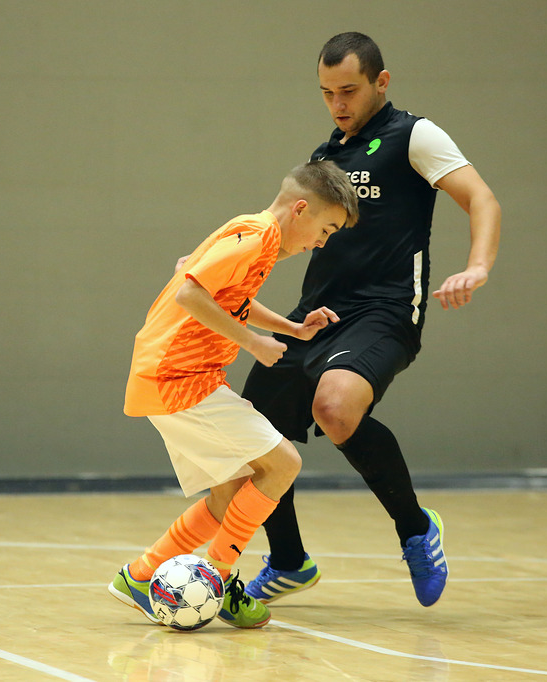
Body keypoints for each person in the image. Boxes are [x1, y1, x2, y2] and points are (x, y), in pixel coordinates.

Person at [241, 32, 501, 608]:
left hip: (385, 311)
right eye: (327, 92)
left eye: (349, 90)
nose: (338, 103)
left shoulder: (414, 135)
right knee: (253, 433)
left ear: (381, 83)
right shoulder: (324, 158)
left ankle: (416, 529)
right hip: (316, 313)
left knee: (335, 407)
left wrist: (477, 266)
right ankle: (288, 561)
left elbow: (482, 198)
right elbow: (274, 228)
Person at [109, 160, 359, 629]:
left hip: (180, 378)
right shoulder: (256, 237)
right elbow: (190, 293)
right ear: (300, 210)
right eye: (325, 229)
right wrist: (253, 343)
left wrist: (291, 329)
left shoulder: (253, 235)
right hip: (179, 378)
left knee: (230, 493)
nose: (322, 243)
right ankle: (218, 580)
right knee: (283, 464)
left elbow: (220, 292)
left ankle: (140, 576)